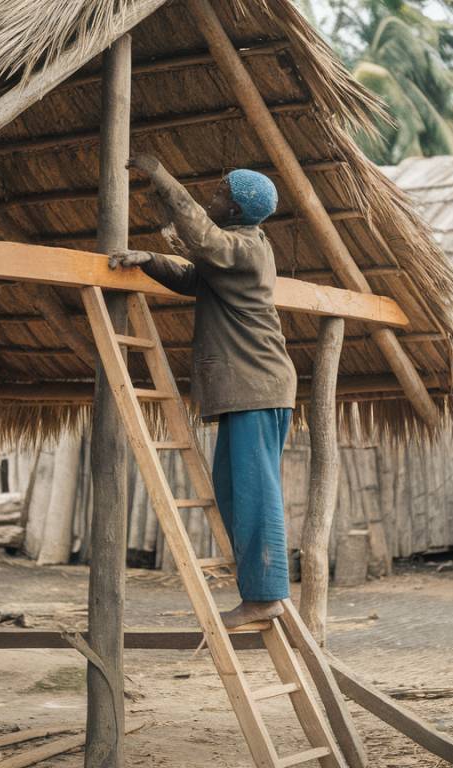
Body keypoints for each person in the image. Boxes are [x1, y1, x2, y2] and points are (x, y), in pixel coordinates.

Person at [108, 154, 297, 628]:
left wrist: (161, 175)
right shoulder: (234, 251)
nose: (210, 198)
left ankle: (267, 595)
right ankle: (260, 591)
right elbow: (195, 277)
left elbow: (201, 238)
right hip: (249, 388)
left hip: (257, 385)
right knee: (235, 494)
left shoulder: (245, 247)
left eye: (218, 194)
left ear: (234, 211)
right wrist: (148, 260)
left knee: (256, 495)